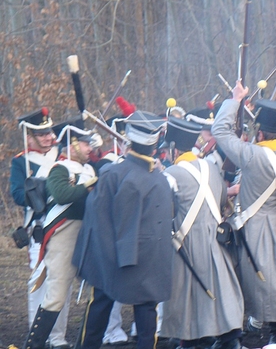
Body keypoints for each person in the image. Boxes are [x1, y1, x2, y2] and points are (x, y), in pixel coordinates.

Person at [72, 111, 173, 349]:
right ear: (155, 143)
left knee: (98, 310)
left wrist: (106, 262)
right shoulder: (160, 178)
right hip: (147, 261)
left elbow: (97, 222)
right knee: (147, 320)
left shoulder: (111, 174)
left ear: (129, 140)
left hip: (111, 259)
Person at [211, 80, 276, 345]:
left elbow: (219, 130)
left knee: (253, 281)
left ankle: (242, 334)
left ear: (259, 134)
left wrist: (235, 100)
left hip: (253, 229)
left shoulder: (251, 155)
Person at [160, 116, 244, 349]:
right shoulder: (210, 167)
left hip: (186, 242)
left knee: (189, 297)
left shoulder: (171, 174)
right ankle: (229, 340)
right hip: (214, 239)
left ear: (173, 148)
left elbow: (166, 212)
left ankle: (192, 342)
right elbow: (220, 200)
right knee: (218, 292)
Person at [22, 116, 98, 349]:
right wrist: (87, 185)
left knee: (98, 293)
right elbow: (62, 194)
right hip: (64, 235)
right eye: (86, 144)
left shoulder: (88, 168)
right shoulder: (60, 168)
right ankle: (34, 344)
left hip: (87, 235)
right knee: (56, 294)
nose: (89, 148)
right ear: (73, 144)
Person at [10, 108, 73, 349]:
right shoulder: (21, 161)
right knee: (39, 282)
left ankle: (57, 337)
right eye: (43, 134)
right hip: (39, 230)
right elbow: (16, 194)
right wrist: (40, 190)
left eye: (49, 132)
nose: (49, 137)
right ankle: (37, 334)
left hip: (64, 227)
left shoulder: (63, 157)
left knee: (62, 280)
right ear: (30, 137)